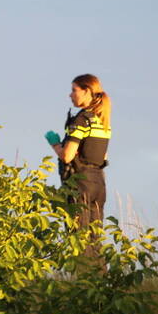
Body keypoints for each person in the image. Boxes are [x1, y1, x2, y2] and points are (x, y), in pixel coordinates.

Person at [45, 74, 111, 257]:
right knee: (95, 240)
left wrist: (55, 143)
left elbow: (67, 156)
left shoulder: (81, 120)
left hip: (80, 183)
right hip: (98, 183)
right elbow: (102, 155)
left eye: (74, 90)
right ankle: (99, 275)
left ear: (87, 91)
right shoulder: (102, 120)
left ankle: (82, 275)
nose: (70, 95)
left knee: (78, 239)